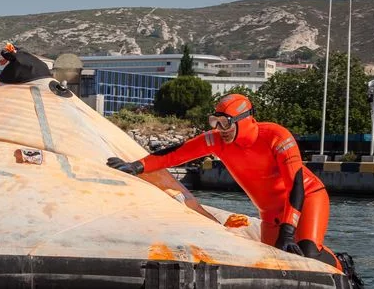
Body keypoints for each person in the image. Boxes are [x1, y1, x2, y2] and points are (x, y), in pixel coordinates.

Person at [106, 93, 338, 266]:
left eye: (225, 123)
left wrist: (288, 231)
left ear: (244, 120)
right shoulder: (217, 141)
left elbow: (295, 185)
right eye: (215, 122)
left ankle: (341, 265)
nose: (220, 129)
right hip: (270, 213)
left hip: (307, 198)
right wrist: (137, 166)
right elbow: (176, 153)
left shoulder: (277, 136)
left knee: (307, 253)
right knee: (277, 262)